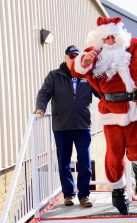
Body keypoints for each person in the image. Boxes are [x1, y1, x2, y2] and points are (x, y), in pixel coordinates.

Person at [71, 17, 137, 215]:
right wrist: (84, 62)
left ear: (120, 35)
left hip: (136, 107)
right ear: (100, 38)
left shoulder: (134, 45)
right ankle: (118, 192)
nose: (110, 41)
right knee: (114, 153)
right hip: (111, 110)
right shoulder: (94, 52)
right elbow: (79, 69)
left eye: (113, 37)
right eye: (106, 37)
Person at [34, 45, 95, 208]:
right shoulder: (54, 76)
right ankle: (68, 195)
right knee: (64, 162)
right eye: (71, 56)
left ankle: (84, 196)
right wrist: (40, 108)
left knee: (85, 161)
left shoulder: (87, 76)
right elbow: (44, 93)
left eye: (77, 56)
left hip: (82, 125)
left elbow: (101, 92)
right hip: (62, 126)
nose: (74, 59)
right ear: (65, 58)